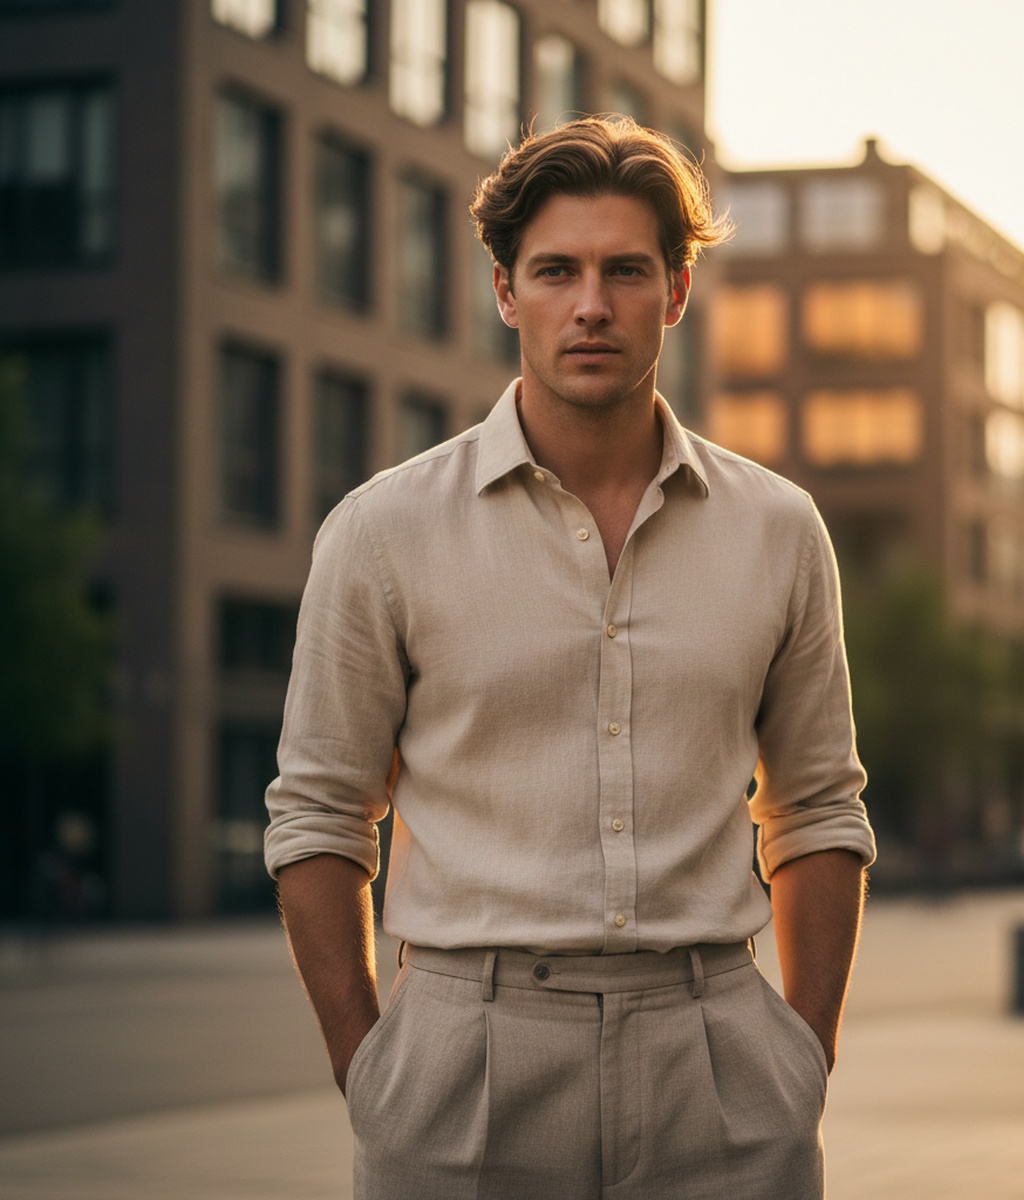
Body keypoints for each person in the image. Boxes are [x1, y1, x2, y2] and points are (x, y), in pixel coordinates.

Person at [265, 115, 875, 1200]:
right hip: (466, 1063)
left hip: (719, 1066)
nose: (590, 304)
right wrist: (374, 1074)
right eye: (556, 271)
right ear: (506, 291)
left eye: (625, 271)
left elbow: (818, 809)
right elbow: (319, 813)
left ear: (676, 293)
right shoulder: (382, 532)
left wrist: (802, 1056)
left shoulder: (779, 530)